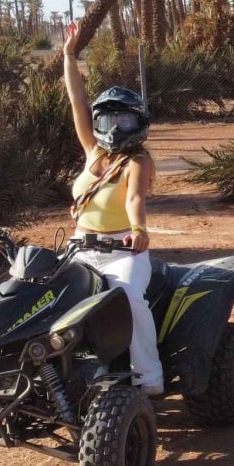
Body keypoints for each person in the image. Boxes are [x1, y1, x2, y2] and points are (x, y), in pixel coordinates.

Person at [62, 23, 164, 396]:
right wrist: (69, 56)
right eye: (111, 120)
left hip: (123, 250)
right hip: (80, 248)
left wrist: (138, 231)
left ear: (138, 123)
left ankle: (148, 376)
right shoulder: (94, 152)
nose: (117, 127)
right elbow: (77, 101)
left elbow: (135, 199)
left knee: (129, 299)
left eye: (126, 120)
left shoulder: (136, 162)